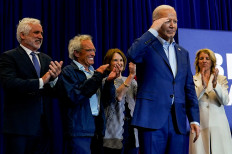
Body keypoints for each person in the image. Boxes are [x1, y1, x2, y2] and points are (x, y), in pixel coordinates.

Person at [127, 5, 200, 154]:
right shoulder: (147, 47)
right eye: (168, 21)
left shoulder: (183, 53)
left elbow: (189, 88)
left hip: (177, 122)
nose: (173, 25)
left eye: (175, 21)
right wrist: (152, 31)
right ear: (156, 22)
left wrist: (194, 119)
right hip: (152, 120)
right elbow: (133, 55)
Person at [0, 18, 63, 154]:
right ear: (23, 35)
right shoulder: (9, 57)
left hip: (43, 127)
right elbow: (10, 84)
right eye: (36, 33)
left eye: (41, 33)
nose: (40, 37)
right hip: (19, 128)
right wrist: (42, 81)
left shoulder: (46, 59)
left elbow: (54, 93)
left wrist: (54, 79)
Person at [58, 35, 120, 154]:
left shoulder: (93, 72)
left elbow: (107, 100)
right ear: (76, 53)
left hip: (97, 129)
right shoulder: (69, 71)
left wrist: (109, 82)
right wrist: (97, 76)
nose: (93, 54)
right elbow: (74, 96)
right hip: (79, 129)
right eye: (89, 50)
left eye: (94, 50)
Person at [189, 48, 232, 154]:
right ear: (197, 62)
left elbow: (225, 101)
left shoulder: (221, 79)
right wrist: (202, 86)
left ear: (212, 61)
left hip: (219, 125)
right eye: (201, 58)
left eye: (207, 58)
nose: (204, 61)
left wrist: (215, 85)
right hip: (200, 125)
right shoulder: (192, 79)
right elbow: (191, 101)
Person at [102, 48, 139, 154]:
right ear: (108, 63)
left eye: (121, 60)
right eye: (115, 60)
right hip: (113, 132)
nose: (119, 63)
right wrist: (131, 75)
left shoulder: (131, 81)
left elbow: (142, 94)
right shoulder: (105, 81)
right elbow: (118, 96)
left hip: (131, 130)